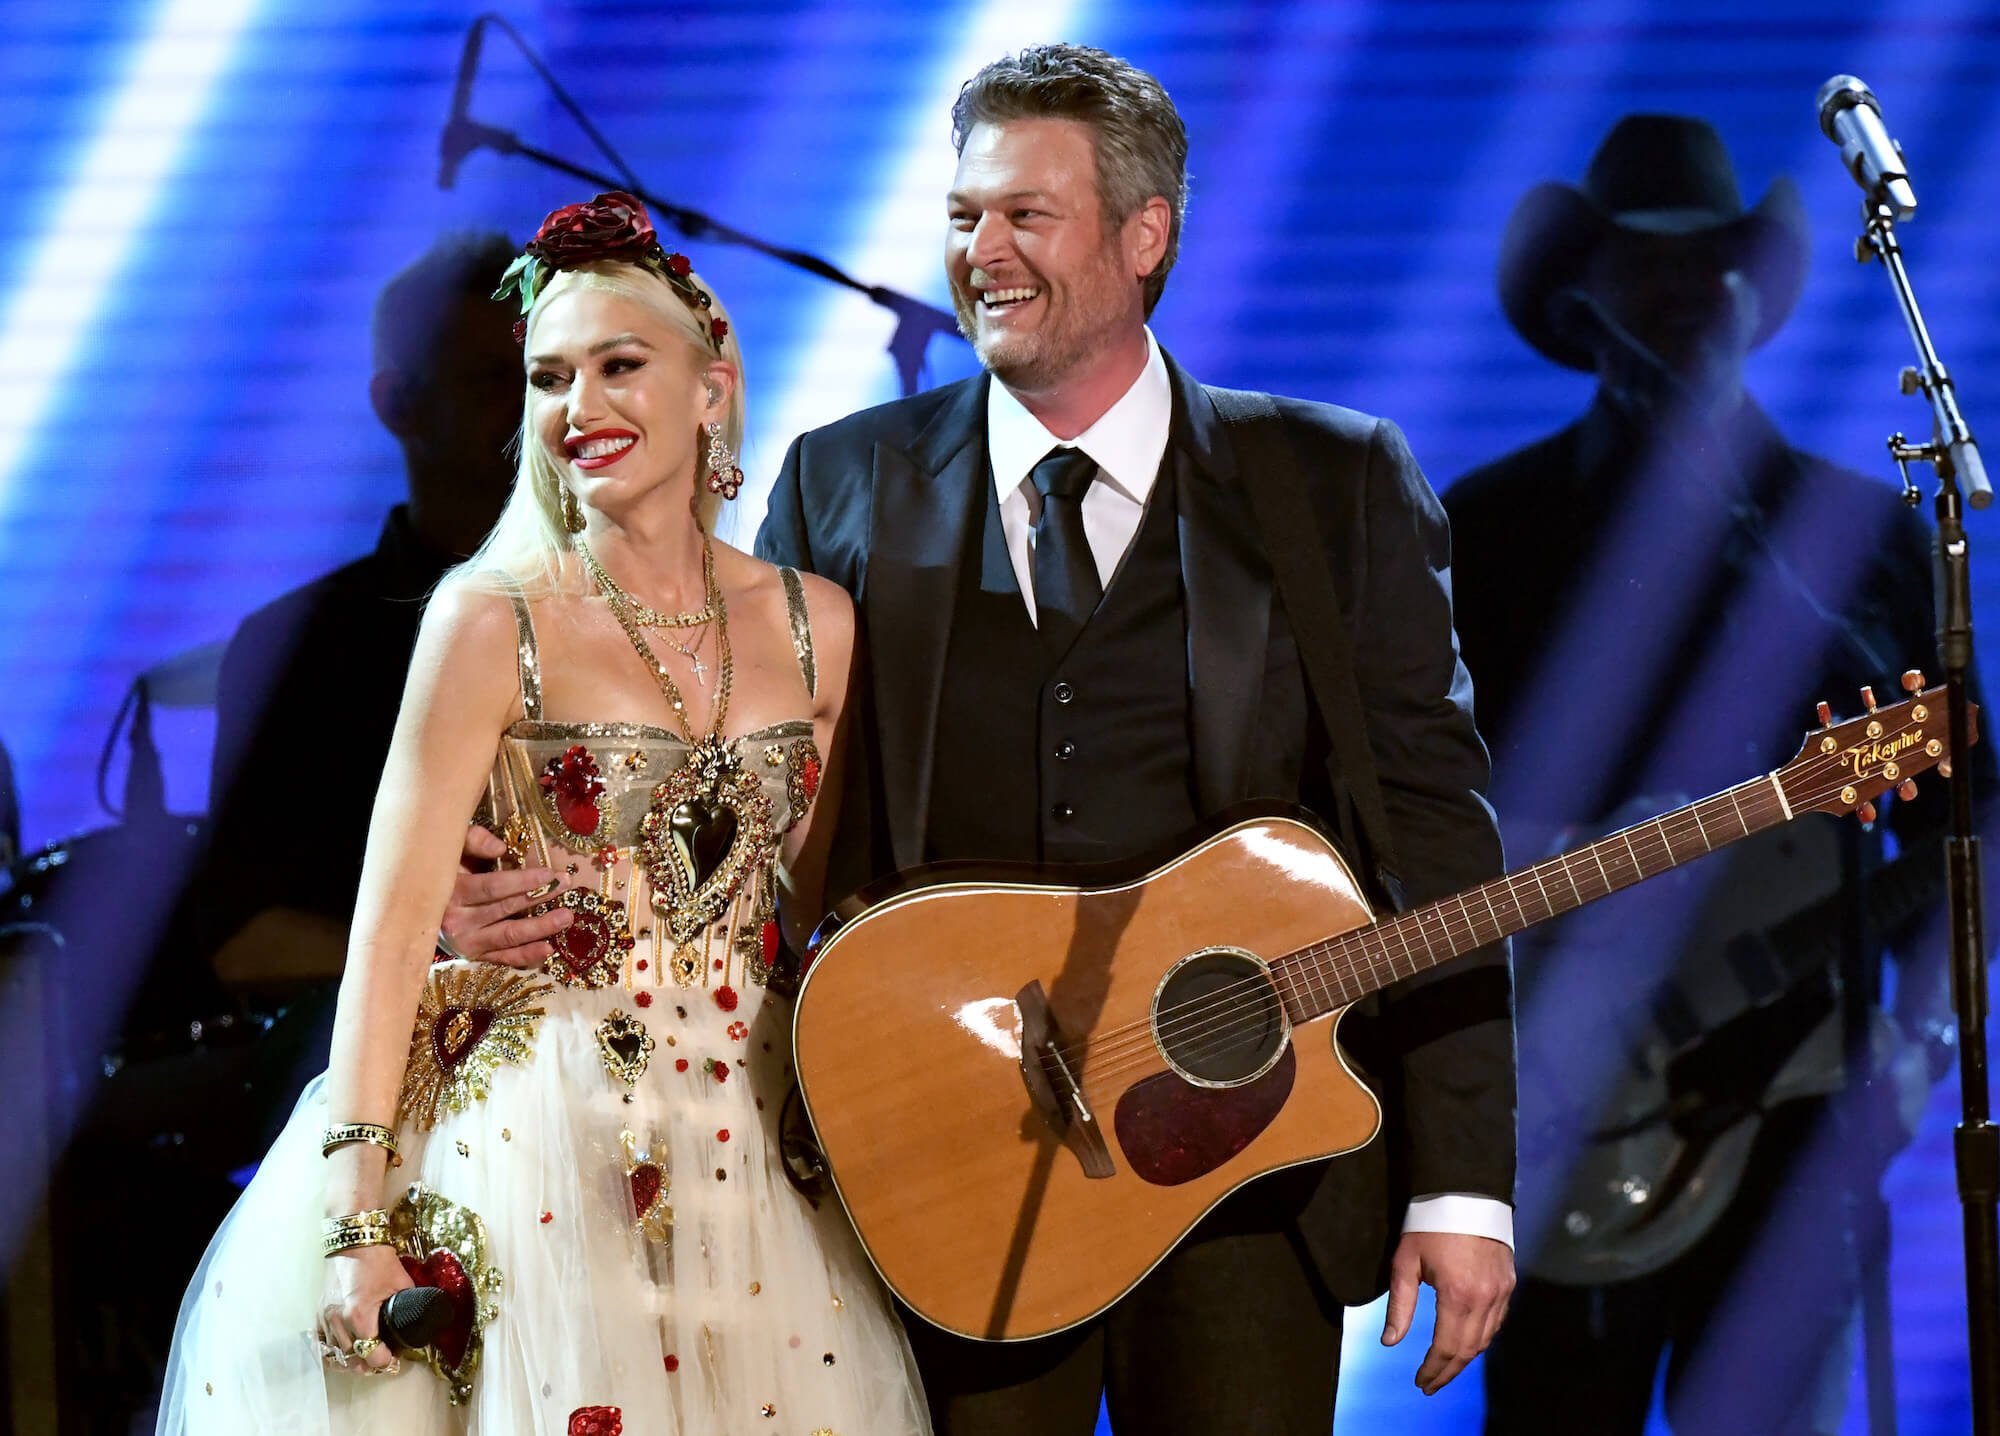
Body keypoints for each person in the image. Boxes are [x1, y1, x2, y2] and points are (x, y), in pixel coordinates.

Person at [451, 45, 1515, 1433]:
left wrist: (1461, 1185)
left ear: (1147, 236)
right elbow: (735, 792)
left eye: (1026, 215)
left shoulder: (1331, 482)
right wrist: (531, 892)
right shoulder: (848, 481)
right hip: (947, 1167)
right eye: (962, 217)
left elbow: (1433, 839)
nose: (981, 252)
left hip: (1250, 1176)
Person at [156, 192, 930, 1435]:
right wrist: (358, 1223)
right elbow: (390, 935)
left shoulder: (812, 623)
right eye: (549, 377)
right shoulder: (487, 615)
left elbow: (824, 910)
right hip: (536, 1137)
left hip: (754, 1132)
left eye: (621, 365)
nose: (581, 407)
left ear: (711, 385)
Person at [1446, 115, 1972, 1435]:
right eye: (1643, 264)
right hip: (1554, 1085)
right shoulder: (1483, 528)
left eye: (1709, 263)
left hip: (1804, 1093)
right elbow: (1412, 812)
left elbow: (1965, 825)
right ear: (1586, 302)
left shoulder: (1855, 534)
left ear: (1755, 290)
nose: (1680, 291)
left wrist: (1917, 1038)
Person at [202, 231, 523, 991]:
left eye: (540, 380)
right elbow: (247, 936)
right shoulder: (300, 647)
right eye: (488, 382)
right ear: (398, 405)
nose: (528, 412)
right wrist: (473, 968)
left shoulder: (627, 606)